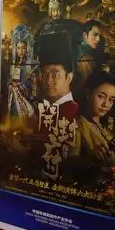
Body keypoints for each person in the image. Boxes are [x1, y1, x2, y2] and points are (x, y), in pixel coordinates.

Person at [30, 33, 81, 183]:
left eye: (55, 74)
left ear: (69, 77)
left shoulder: (77, 113)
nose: (49, 81)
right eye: (45, 74)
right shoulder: (40, 110)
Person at [77, 65, 115, 185]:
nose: (106, 104)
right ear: (88, 94)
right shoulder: (79, 125)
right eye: (101, 96)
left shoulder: (104, 125)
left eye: (111, 100)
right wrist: (90, 159)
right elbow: (69, 163)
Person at [8, 25, 36, 120]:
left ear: (27, 48)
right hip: (14, 97)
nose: (21, 51)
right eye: (18, 48)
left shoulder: (29, 65)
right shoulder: (14, 64)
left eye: (23, 48)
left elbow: (32, 85)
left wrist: (20, 87)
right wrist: (10, 85)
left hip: (24, 98)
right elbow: (10, 80)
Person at [74, 19, 104, 97]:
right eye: (95, 35)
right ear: (85, 35)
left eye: (99, 36)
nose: (98, 39)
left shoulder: (83, 49)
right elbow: (85, 88)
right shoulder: (85, 59)